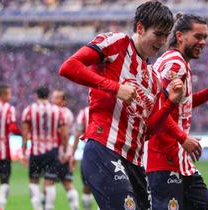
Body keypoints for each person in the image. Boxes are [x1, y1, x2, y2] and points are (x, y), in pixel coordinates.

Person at [58, 1, 199, 209]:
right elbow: (69, 67)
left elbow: (147, 131)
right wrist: (114, 88)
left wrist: (170, 103)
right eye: (157, 34)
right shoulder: (116, 43)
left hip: (134, 163)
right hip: (104, 149)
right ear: (140, 28)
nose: (161, 42)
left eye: (165, 36)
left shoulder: (153, 78)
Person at [146, 14, 208, 210]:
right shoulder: (175, 64)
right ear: (180, 36)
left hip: (179, 161)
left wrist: (206, 95)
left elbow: (178, 107)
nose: (203, 42)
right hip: (163, 159)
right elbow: (156, 107)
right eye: (198, 37)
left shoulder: (179, 62)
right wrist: (182, 137)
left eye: (205, 37)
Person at [21, 86, 67, 210]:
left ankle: (37, 208)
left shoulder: (29, 110)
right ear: (48, 95)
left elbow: (25, 133)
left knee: (34, 181)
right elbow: (64, 134)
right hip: (52, 151)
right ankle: (49, 207)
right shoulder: (57, 111)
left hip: (36, 151)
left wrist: (23, 150)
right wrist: (64, 151)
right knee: (50, 181)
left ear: (36, 95)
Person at [51, 90, 79, 210]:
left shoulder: (64, 114)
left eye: (57, 98)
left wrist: (65, 152)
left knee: (63, 183)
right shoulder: (54, 111)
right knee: (51, 182)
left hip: (58, 151)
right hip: (54, 151)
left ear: (64, 101)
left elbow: (64, 135)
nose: (54, 100)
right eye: (53, 97)